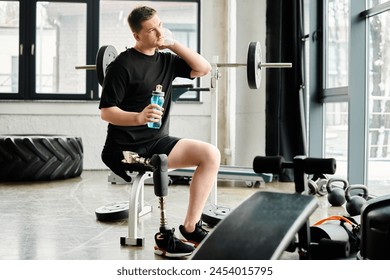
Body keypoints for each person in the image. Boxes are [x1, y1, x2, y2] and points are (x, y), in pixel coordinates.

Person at [99, 6, 221, 258]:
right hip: (124, 148)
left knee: (210, 154)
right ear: (137, 36)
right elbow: (107, 112)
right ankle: (164, 238)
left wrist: (174, 44)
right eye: (151, 30)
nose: (158, 32)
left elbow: (203, 68)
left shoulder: (166, 59)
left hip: (157, 141)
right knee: (161, 165)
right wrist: (138, 117)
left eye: (160, 25)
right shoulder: (122, 65)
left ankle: (189, 227)